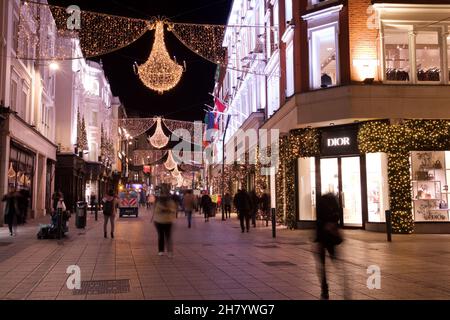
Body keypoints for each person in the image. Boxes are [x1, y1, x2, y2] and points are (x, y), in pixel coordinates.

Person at [315, 192, 343, 300]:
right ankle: (327, 288)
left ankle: (324, 290)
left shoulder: (322, 201)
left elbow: (319, 221)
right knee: (333, 263)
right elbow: (337, 218)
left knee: (322, 266)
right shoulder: (333, 203)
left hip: (323, 238)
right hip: (330, 239)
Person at [153, 185, 177, 257]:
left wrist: (165, 210)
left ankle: (162, 251)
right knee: (166, 236)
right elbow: (173, 210)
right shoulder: (168, 202)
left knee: (164, 236)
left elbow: (173, 210)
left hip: (162, 221)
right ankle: (165, 251)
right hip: (163, 221)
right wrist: (168, 210)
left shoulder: (160, 202)